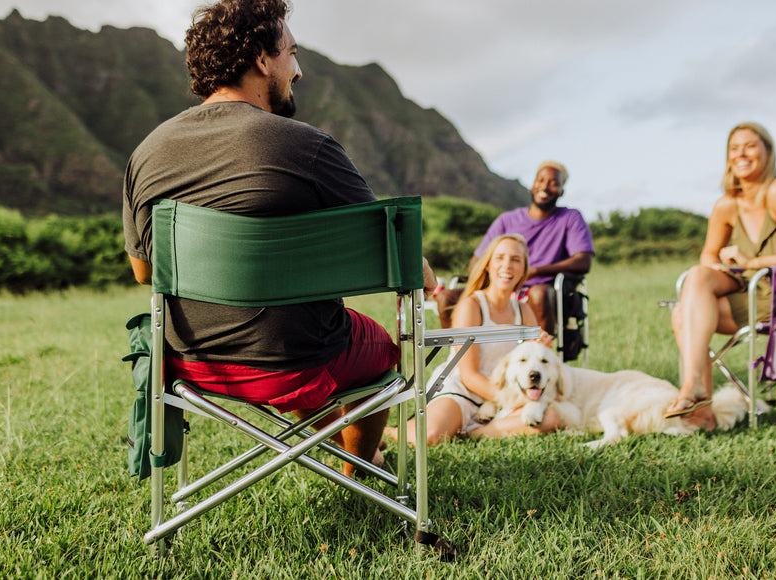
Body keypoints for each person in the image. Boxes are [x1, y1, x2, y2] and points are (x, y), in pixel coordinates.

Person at [121, 0, 436, 478]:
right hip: (292, 362)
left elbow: (143, 270)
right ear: (262, 59)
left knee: (303, 337)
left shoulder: (146, 152)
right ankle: (361, 469)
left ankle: (351, 455)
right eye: (291, 53)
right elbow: (396, 256)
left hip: (190, 363)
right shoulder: (306, 146)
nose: (299, 70)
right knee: (374, 350)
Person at [666, 122, 776, 421]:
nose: (741, 154)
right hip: (741, 290)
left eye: (750, 146)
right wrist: (720, 263)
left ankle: (700, 406)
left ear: (767, 151)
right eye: (734, 148)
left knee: (680, 314)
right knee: (697, 274)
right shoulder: (726, 204)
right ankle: (696, 389)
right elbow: (708, 254)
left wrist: (751, 262)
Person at [388, 234, 559, 446]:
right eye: (500, 258)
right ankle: (389, 433)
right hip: (463, 389)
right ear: (487, 265)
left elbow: (533, 363)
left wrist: (542, 349)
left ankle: (474, 434)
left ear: (524, 268)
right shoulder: (472, 306)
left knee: (550, 417)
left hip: (503, 394)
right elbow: (469, 376)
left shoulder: (523, 310)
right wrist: (511, 400)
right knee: (430, 436)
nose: (507, 265)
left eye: (516, 260)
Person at [436, 161, 594, 336]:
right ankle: (459, 356)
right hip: (499, 287)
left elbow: (583, 261)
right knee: (447, 297)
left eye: (554, 183)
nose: (545, 186)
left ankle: (541, 354)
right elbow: (475, 263)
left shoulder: (570, 218)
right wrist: (497, 279)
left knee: (539, 293)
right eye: (540, 180)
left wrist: (533, 272)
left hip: (541, 291)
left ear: (562, 191)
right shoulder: (506, 220)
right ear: (532, 184)